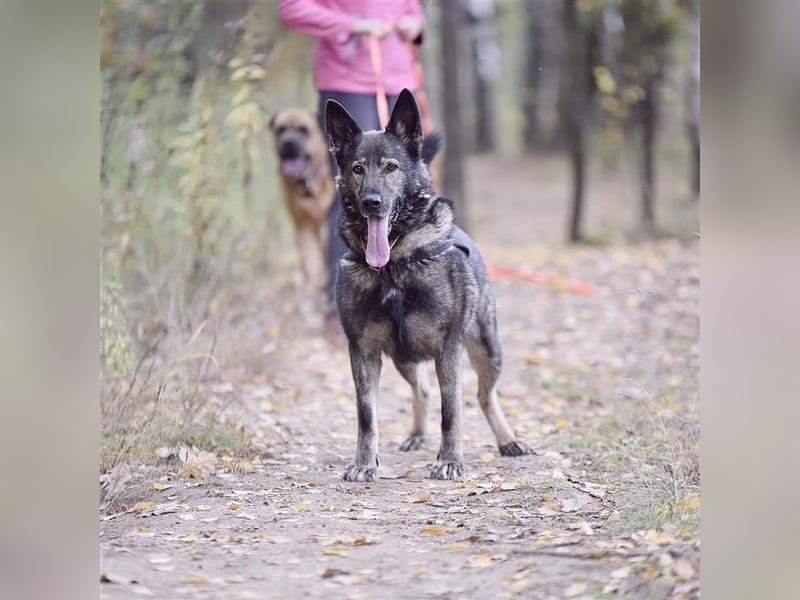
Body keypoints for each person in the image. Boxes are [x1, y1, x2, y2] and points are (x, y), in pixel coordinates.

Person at [277, 0, 427, 331]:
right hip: (347, 80)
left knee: (406, 190)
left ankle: (405, 293)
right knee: (352, 193)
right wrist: (352, 25)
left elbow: (411, 9)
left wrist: (415, 25)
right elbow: (291, 8)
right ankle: (339, 303)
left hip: (398, 76)